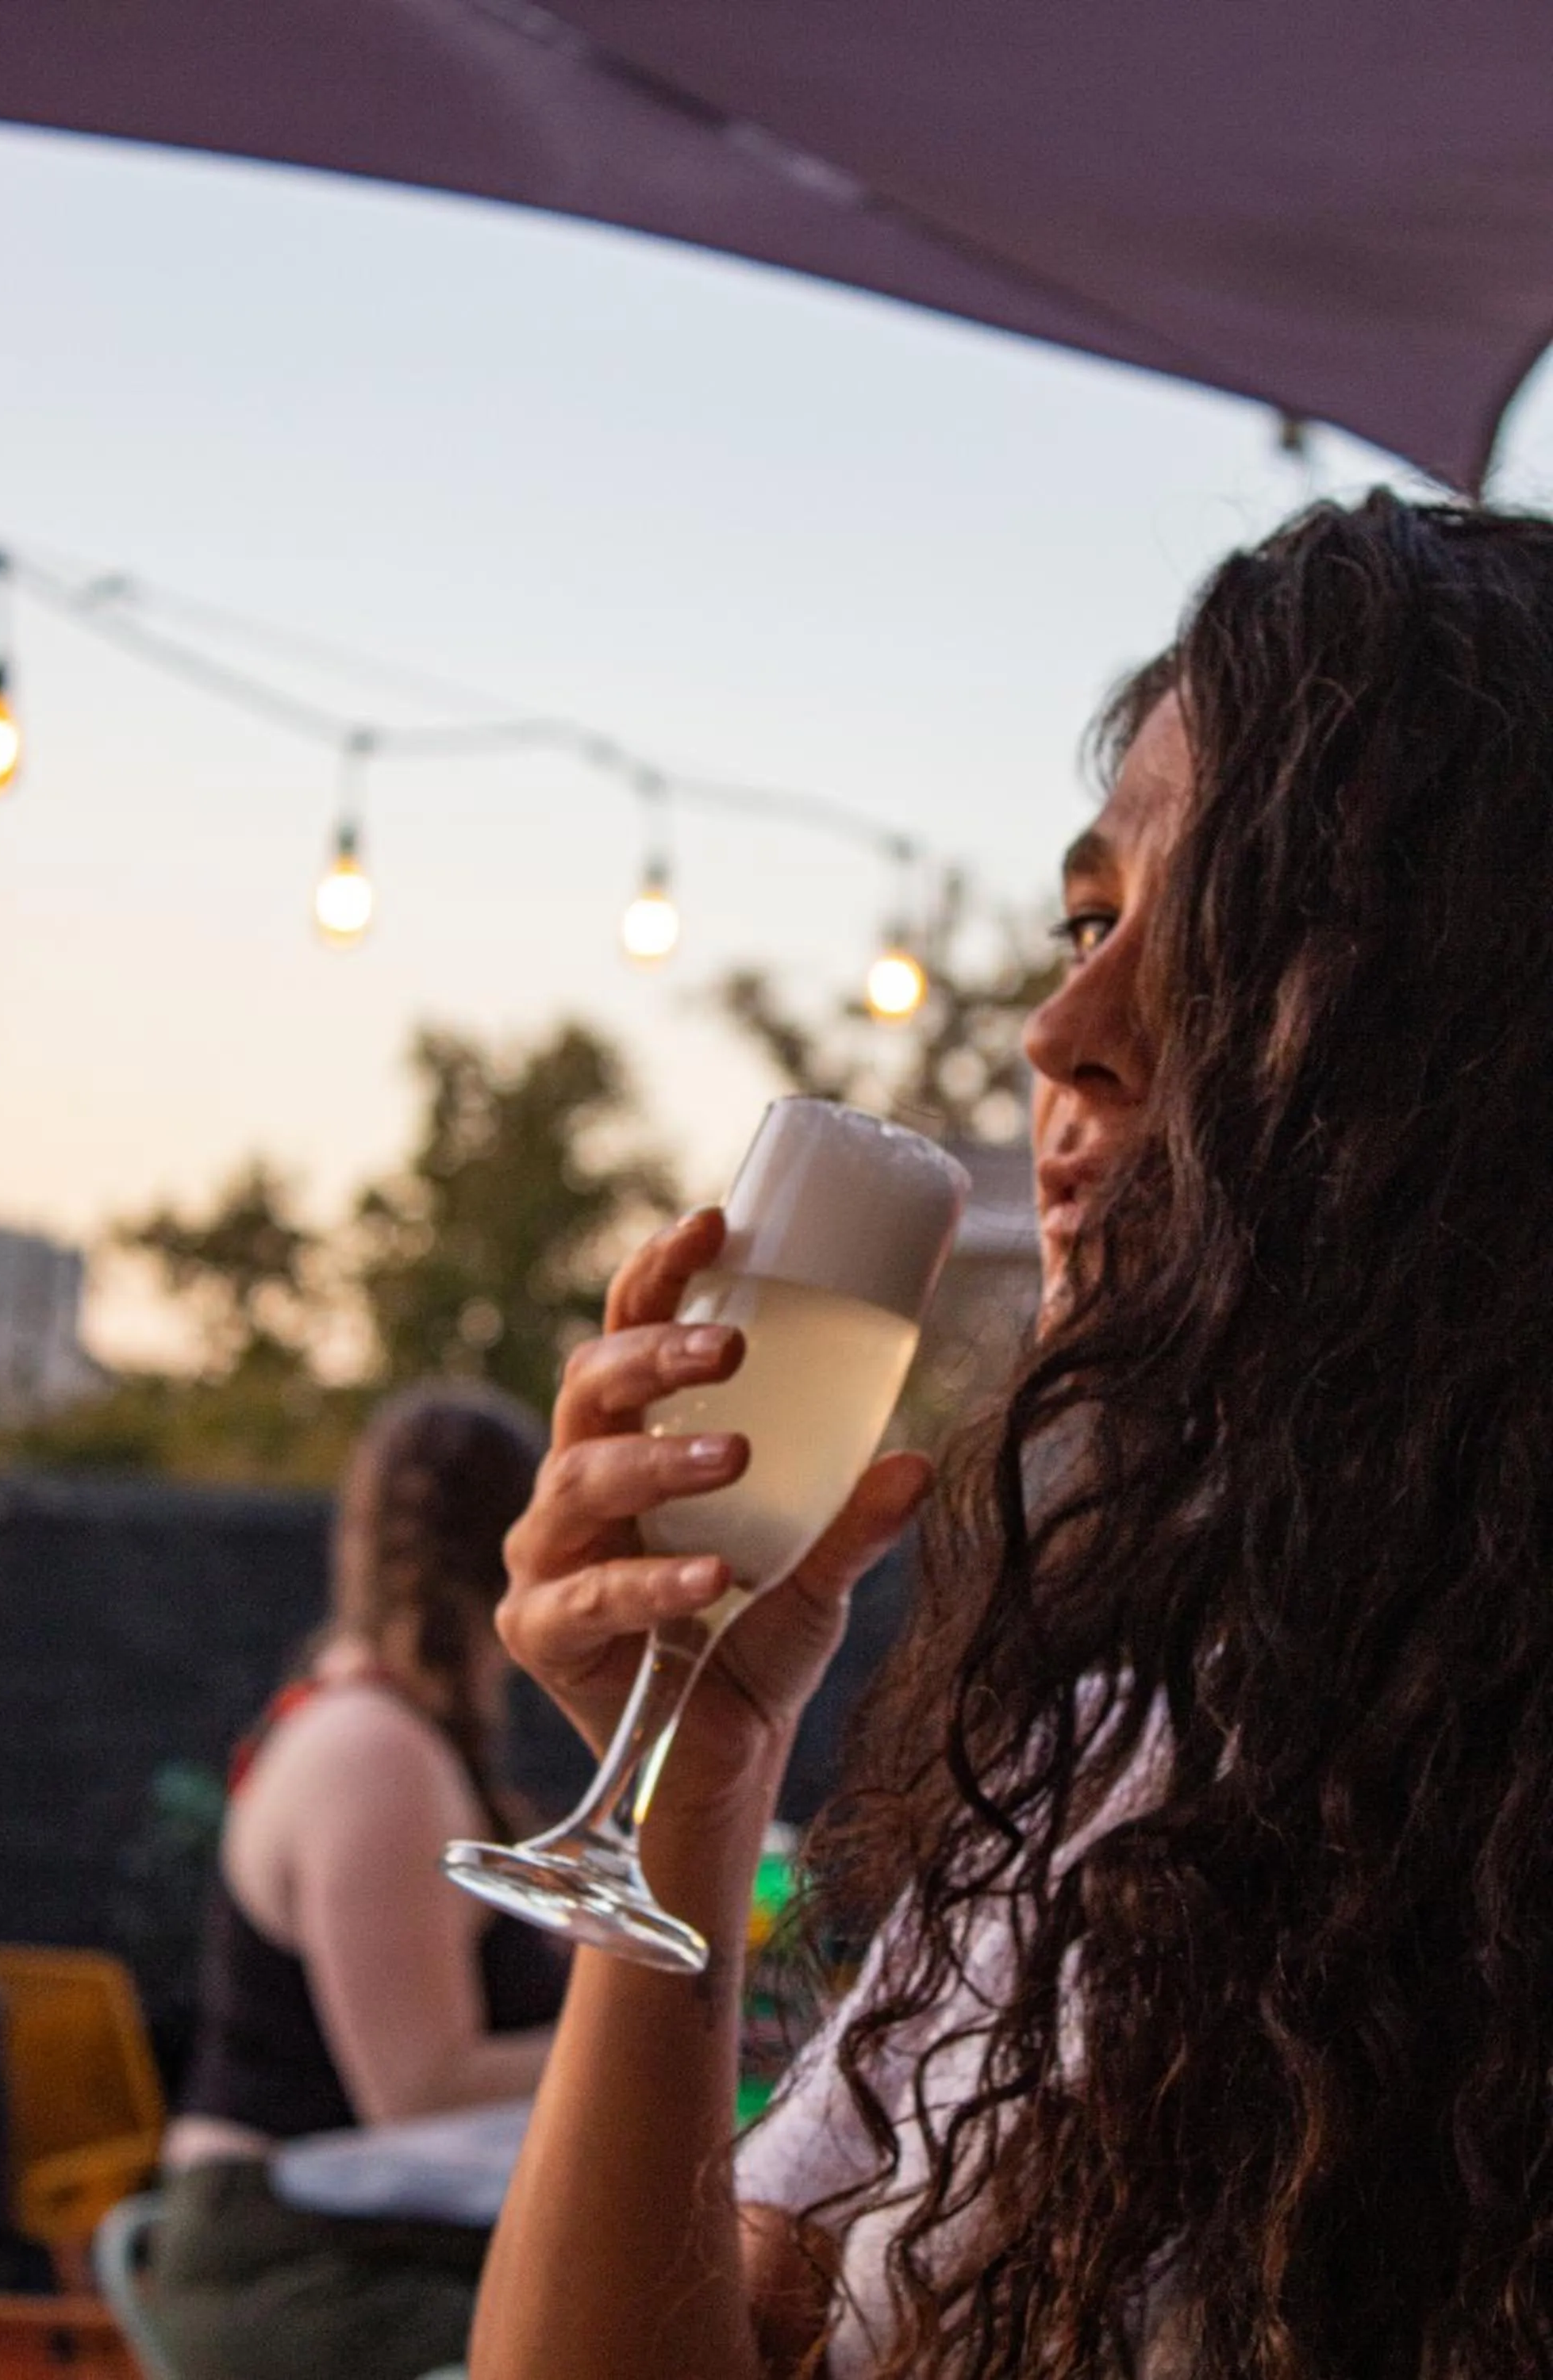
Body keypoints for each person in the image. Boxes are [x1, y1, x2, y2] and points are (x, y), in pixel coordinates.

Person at [467, 493, 1553, 2380]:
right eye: (1089, 918)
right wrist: (696, 1779)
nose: (1063, 1028)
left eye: (1245, 929)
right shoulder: (1108, 1754)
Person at [151, 1382, 566, 2380]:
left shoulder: (387, 1733)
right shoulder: (373, 1755)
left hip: (365, 2238)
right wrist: (659, 2029)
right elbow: (418, 2089)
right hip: (299, 2262)